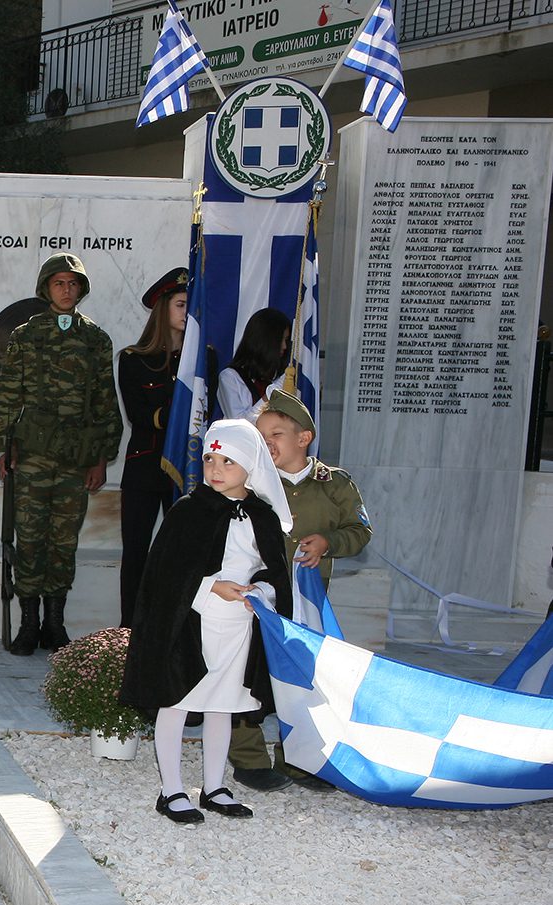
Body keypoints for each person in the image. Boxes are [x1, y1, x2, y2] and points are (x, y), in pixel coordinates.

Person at [122, 419, 294, 825]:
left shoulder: (262, 517)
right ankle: (172, 790)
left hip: (239, 629)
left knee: (224, 706)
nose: (215, 469)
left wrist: (261, 593)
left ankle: (214, 786)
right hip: (191, 627)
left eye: (227, 461)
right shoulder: (188, 511)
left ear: (250, 466)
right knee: (177, 702)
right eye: (210, 459)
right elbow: (165, 572)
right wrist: (211, 587)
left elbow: (274, 573)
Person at [228, 390, 373, 790]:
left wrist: (329, 542)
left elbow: (360, 531)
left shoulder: (335, 484)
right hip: (256, 603)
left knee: (303, 682)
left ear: (303, 439)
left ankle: (298, 759)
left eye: (276, 433)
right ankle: (248, 757)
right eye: (261, 435)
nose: (266, 442)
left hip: (306, 606)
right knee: (249, 675)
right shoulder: (250, 481)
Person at [0, 252, 122, 655]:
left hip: (75, 457)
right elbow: (8, 394)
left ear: (81, 289)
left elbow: (104, 401)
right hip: (31, 455)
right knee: (28, 539)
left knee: (63, 542)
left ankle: (54, 623)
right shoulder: (26, 336)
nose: (66, 290)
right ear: (46, 288)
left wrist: (101, 456)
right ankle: (29, 623)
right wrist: (5, 446)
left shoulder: (95, 339)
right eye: (59, 283)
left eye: (73, 283)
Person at [116, 267, 204, 628]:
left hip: (188, 470)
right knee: (136, 553)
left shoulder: (204, 361)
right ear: (162, 309)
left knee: (184, 555)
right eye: (181, 304)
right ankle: (129, 631)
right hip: (145, 469)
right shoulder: (134, 359)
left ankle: (175, 628)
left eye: (191, 305)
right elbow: (140, 416)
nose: (187, 312)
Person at [217, 308, 291, 422]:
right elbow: (240, 424)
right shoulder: (230, 377)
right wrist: (274, 391)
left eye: (286, 340)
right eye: (280, 340)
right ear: (264, 341)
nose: (284, 346)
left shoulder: (279, 376)